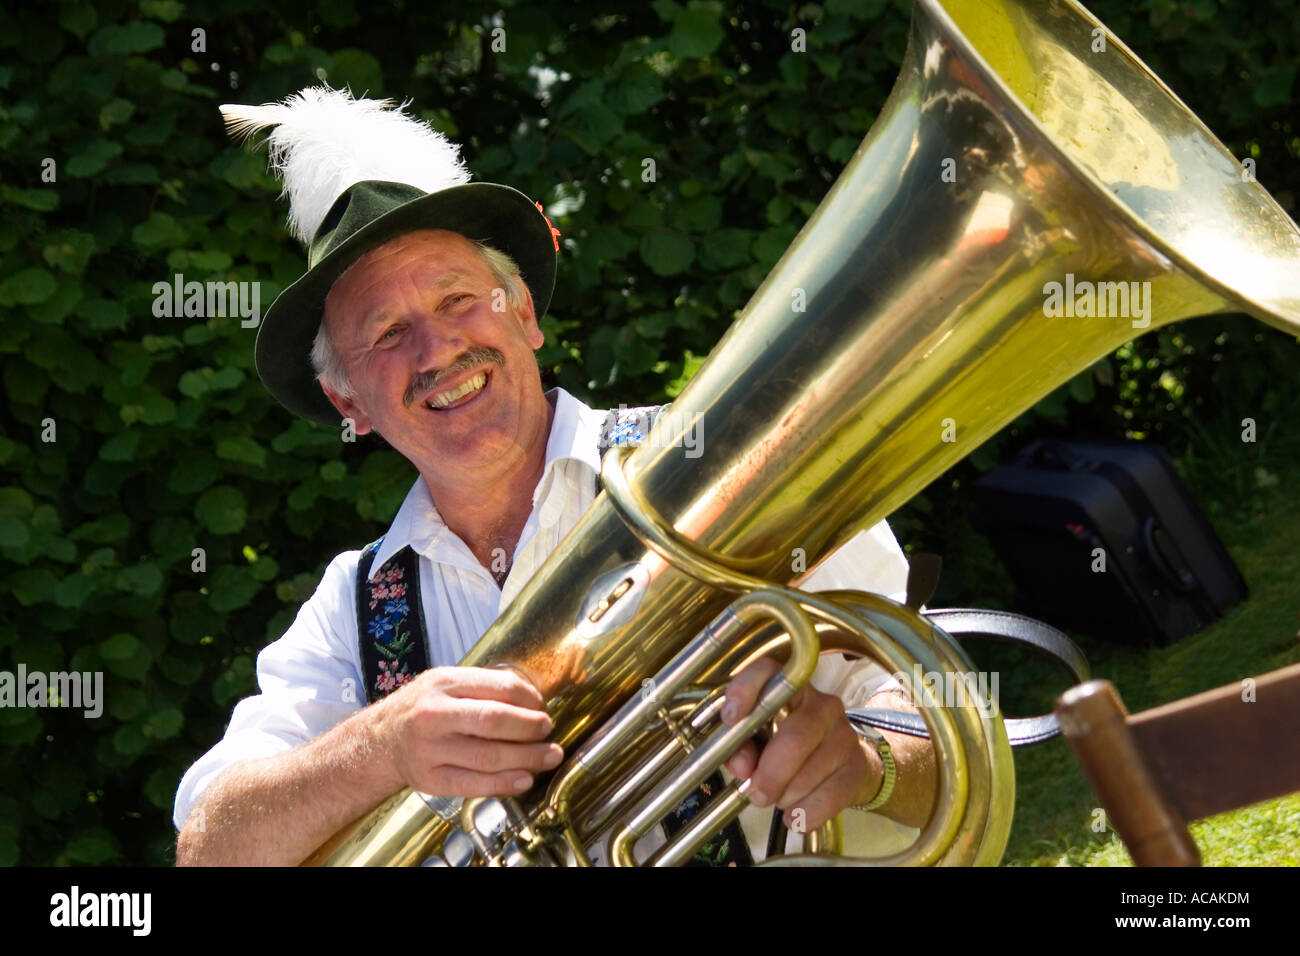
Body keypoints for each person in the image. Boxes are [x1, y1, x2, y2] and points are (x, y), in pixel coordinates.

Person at [174, 87, 937, 866]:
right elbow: (209, 849)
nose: (437, 352)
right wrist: (383, 745)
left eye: (459, 299)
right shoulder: (354, 606)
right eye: (389, 334)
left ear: (526, 315)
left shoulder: (712, 463)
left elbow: (932, 714)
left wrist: (872, 768)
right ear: (348, 400)